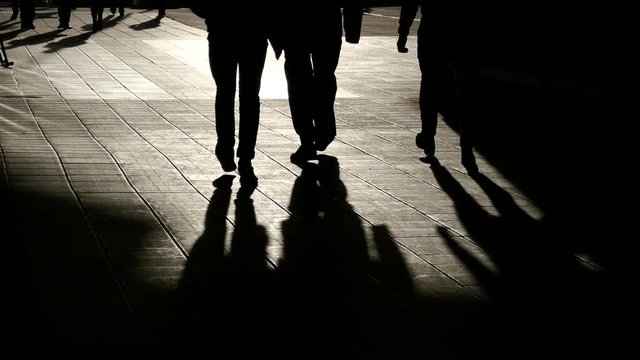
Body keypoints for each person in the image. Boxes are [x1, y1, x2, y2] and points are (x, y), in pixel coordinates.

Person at [188, 2, 271, 188]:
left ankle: (226, 147)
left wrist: (212, 14)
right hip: (254, 32)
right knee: (249, 96)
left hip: (222, 31)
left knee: (225, 93)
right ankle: (245, 155)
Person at [271, 1, 363, 165]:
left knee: (298, 82)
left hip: (294, 23)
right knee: (324, 77)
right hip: (326, 21)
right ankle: (324, 130)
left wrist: (276, 34)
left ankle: (307, 139)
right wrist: (352, 30)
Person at [397, 0, 478, 173]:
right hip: (462, 29)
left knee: (429, 82)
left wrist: (404, 30)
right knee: (466, 89)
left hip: (432, 27)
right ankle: (467, 147)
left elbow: (410, 2)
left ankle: (428, 134)